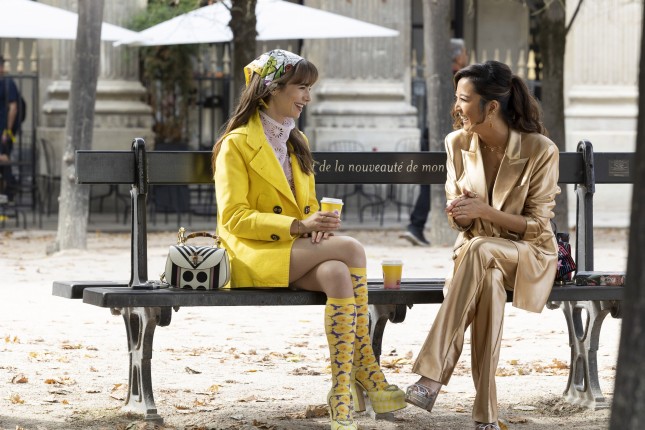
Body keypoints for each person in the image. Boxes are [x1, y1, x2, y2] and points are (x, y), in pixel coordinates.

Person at [212, 49, 406, 430]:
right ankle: (368, 370)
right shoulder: (236, 144)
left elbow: (306, 206)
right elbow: (233, 218)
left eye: (309, 88)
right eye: (302, 87)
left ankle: (341, 394)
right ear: (272, 88)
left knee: (337, 272)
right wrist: (300, 226)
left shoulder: (295, 141)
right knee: (351, 249)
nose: (308, 97)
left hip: (291, 250)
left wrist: (318, 222)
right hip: (251, 252)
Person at [404, 60, 560, 430]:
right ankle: (486, 415)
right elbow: (459, 218)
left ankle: (431, 376)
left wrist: (485, 211)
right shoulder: (456, 143)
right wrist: (461, 213)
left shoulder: (540, 149)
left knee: (481, 251)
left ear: (490, 107)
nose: (457, 107)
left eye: (464, 99)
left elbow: (537, 227)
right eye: (457, 98)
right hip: (478, 258)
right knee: (487, 281)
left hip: (527, 255)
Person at [401, 38, 469, 246]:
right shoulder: (460, 80)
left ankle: (416, 225)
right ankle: (418, 225)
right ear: (458, 56)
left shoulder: (440, 76)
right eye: (464, 52)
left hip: (431, 132)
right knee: (437, 181)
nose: (466, 56)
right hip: (445, 135)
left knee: (429, 181)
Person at [0, 55, 20, 203]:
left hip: (4, 131)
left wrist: (8, 130)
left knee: (3, 157)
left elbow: (13, 108)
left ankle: (11, 187)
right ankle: (7, 191)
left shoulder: (8, 83)